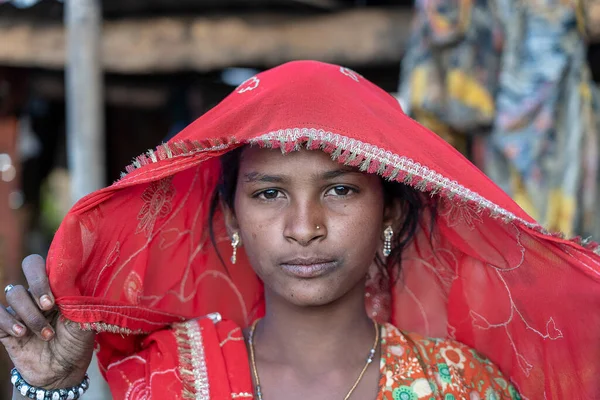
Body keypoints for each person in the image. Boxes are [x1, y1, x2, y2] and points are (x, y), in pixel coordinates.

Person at [1, 61, 598, 400]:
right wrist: (47, 386)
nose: (304, 227)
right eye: (268, 193)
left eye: (340, 190)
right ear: (232, 217)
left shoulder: (461, 386)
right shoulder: (171, 377)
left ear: (389, 210)